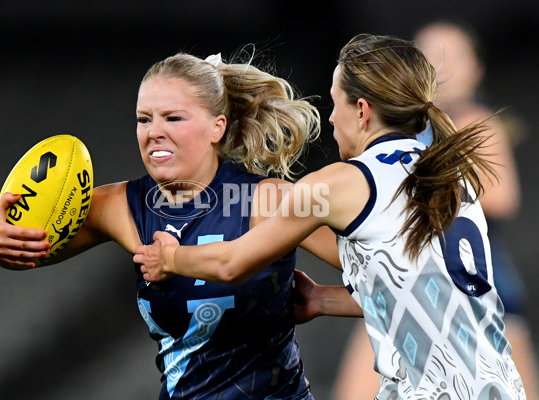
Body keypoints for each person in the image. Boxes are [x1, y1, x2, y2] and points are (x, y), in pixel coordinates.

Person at [135, 33, 528, 399]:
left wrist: (169, 258)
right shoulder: (450, 173)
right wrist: (323, 300)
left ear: (361, 110)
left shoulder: (341, 184)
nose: (331, 120)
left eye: (334, 102)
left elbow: (232, 261)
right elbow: (421, 287)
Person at [0, 50, 342, 399]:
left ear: (217, 127)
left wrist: (324, 300)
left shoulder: (269, 199)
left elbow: (389, 271)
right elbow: (26, 249)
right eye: (144, 119)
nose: (153, 132)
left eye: (173, 118)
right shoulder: (120, 206)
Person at [332, 21, 539, 400]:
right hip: (408, 282)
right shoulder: (402, 133)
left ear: (476, 68)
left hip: (477, 286)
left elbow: (503, 197)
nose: (440, 68)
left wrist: (423, 185)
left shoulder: (476, 122)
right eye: (429, 55)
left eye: (451, 57)